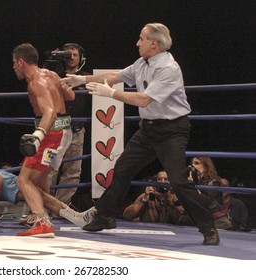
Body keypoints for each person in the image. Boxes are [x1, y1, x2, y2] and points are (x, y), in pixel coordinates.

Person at [62, 23, 220, 245]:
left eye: (141, 39)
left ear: (153, 43)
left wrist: (111, 94)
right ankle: (105, 216)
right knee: (122, 170)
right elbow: (116, 76)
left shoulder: (168, 68)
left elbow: (145, 99)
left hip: (171, 130)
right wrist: (82, 80)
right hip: (148, 128)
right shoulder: (142, 63)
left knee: (178, 181)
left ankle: (208, 227)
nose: (137, 43)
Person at [12, 43, 76, 237]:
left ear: (21, 62)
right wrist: (58, 84)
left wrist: (37, 136)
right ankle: (41, 213)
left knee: (23, 180)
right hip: (64, 132)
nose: (13, 67)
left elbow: (50, 113)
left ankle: (43, 223)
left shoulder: (35, 83)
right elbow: (71, 96)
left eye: (14, 63)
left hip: (51, 134)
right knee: (38, 178)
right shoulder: (51, 75)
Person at [47, 43, 92, 208]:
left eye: (75, 55)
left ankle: (59, 207)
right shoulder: (53, 75)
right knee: (49, 169)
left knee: (73, 171)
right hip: (56, 128)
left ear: (81, 58)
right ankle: (46, 204)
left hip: (78, 129)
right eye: (69, 54)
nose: (72, 58)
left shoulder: (87, 78)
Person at [188, 157, 232, 230]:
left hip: (217, 222)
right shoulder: (195, 182)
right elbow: (178, 202)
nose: (192, 166)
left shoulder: (214, 182)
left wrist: (191, 186)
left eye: (196, 163)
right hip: (202, 221)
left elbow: (205, 201)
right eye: (192, 163)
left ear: (205, 167)